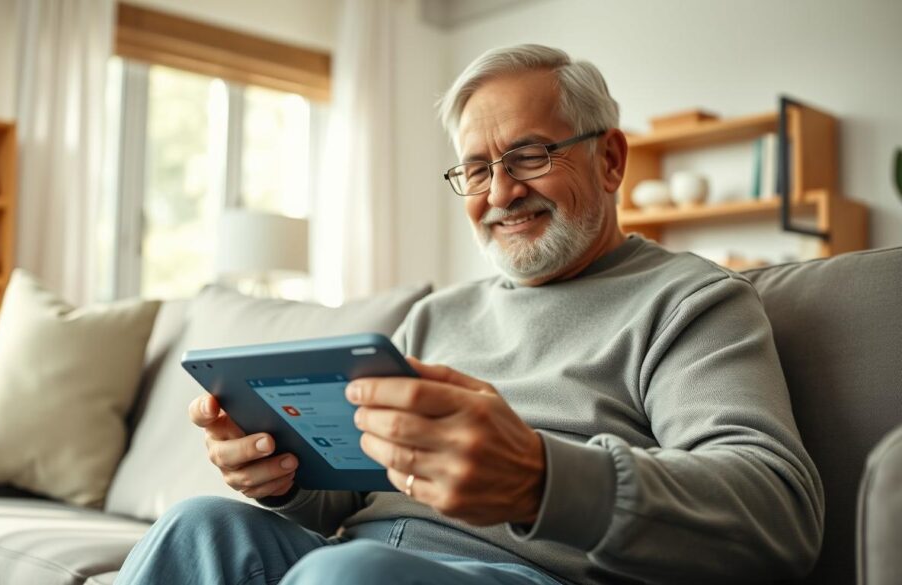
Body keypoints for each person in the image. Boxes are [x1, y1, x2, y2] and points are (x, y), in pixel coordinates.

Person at [116, 44, 823, 585]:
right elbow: (345, 500)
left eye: (530, 155)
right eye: (477, 169)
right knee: (196, 526)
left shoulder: (691, 301)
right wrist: (284, 480)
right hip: (360, 557)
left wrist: (541, 477)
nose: (502, 192)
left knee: (343, 575)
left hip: (537, 572)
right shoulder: (433, 316)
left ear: (610, 159)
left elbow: (778, 511)